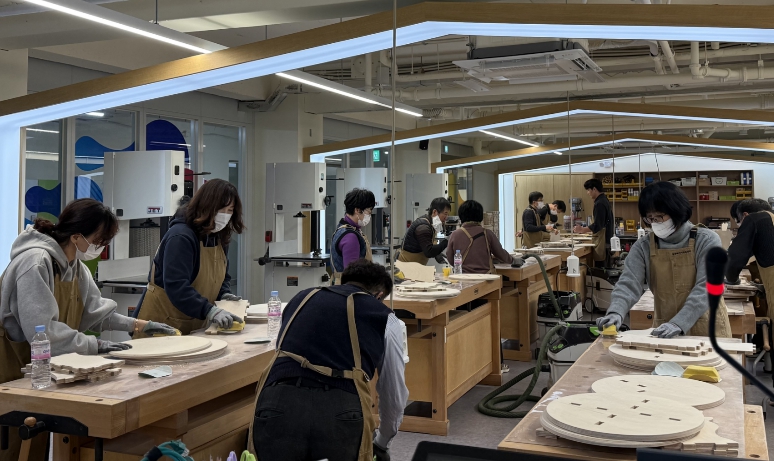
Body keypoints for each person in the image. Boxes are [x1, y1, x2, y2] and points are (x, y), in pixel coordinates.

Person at [0, 199, 175, 461]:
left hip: (38, 371)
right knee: (12, 446)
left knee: (35, 443)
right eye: (98, 241)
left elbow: (96, 312)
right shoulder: (35, 263)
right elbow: (43, 332)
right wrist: (96, 345)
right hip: (10, 370)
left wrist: (139, 325)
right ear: (76, 237)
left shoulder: (75, 267)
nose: (100, 248)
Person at [250, 260, 408, 461]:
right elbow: (393, 393)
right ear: (379, 295)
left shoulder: (301, 299)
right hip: (340, 410)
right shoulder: (386, 318)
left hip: (276, 402)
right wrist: (382, 441)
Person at [596, 181, 732, 338]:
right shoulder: (644, 246)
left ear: (676, 211)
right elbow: (628, 283)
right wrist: (616, 312)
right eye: (650, 218)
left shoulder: (706, 240)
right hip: (666, 327)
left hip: (709, 327)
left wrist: (679, 323)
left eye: (659, 216)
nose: (655, 223)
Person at [134, 179, 245, 336]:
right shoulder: (181, 236)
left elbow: (221, 278)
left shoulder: (218, 236)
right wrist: (210, 310)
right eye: (221, 209)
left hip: (192, 324)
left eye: (230, 210)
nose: (225, 215)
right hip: (161, 324)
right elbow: (177, 286)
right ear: (206, 206)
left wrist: (223, 294)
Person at [726, 198, 774, 317]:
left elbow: (736, 256)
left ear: (745, 215)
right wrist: (765, 288)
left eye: (739, 222)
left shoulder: (753, 219)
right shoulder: (770, 220)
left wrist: (732, 279)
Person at [447, 200, 513, 273]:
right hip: (485, 277)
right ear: (480, 216)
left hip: (462, 276)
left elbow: (450, 258)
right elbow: (501, 254)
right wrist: (513, 260)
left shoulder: (455, 235)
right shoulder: (487, 234)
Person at [330, 188, 375, 283]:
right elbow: (352, 276)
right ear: (357, 210)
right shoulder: (350, 237)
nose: (369, 216)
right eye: (369, 212)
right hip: (349, 288)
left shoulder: (342, 229)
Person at [398, 197, 450, 265]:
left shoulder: (431, 224)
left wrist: (437, 253)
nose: (446, 217)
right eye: (445, 214)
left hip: (415, 266)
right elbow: (429, 252)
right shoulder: (423, 227)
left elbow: (427, 244)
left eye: (448, 215)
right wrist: (447, 240)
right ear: (435, 212)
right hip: (405, 266)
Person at [574, 179, 613, 267]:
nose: (588, 193)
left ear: (594, 189)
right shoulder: (604, 200)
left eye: (588, 190)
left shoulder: (600, 203)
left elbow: (598, 225)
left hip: (603, 241)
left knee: (601, 268)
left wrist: (582, 229)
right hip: (605, 239)